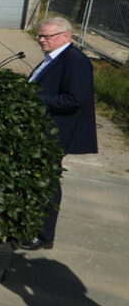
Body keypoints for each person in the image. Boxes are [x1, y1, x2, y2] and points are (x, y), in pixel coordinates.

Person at [23, 17, 98, 250]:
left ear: (65, 36)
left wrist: (33, 98)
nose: (42, 40)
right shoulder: (53, 58)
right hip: (40, 130)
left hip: (55, 135)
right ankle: (29, 224)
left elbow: (74, 99)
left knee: (47, 183)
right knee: (37, 180)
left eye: (47, 36)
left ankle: (43, 235)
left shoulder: (75, 61)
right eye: (40, 36)